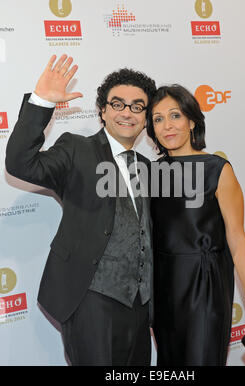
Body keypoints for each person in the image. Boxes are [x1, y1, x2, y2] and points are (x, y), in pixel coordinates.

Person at [5, 54, 156, 366]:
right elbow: (21, 163)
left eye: (137, 106)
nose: (127, 113)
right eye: (117, 104)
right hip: (90, 299)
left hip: (140, 305)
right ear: (102, 110)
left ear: (145, 117)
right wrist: (41, 102)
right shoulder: (76, 148)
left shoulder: (146, 168)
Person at [147, 84, 245, 366]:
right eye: (158, 119)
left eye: (175, 116)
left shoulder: (217, 169)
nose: (167, 125)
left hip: (204, 283)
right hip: (162, 287)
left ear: (192, 121)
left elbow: (237, 237)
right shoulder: (151, 173)